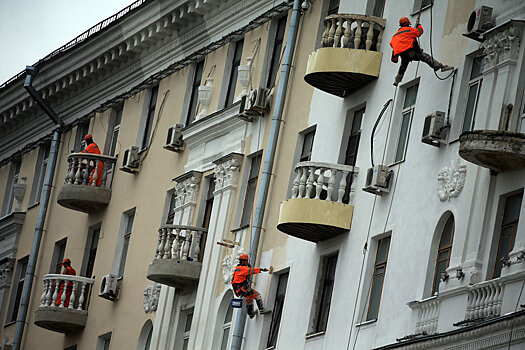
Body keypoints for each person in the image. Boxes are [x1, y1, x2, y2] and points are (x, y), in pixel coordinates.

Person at [390, 17, 453, 86]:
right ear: (407, 24)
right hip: (411, 53)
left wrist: (395, 58)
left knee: (403, 67)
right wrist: (418, 25)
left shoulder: (395, 36)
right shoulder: (409, 30)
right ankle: (440, 67)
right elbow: (419, 32)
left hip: (403, 55)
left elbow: (395, 47)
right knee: (426, 57)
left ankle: (397, 80)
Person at [231, 253, 270, 318]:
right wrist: (261, 269)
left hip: (240, 290)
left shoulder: (237, 268)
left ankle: (251, 313)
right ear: (243, 261)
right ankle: (261, 309)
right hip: (243, 289)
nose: (246, 262)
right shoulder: (243, 269)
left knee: (249, 298)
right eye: (246, 261)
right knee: (257, 295)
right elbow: (251, 270)